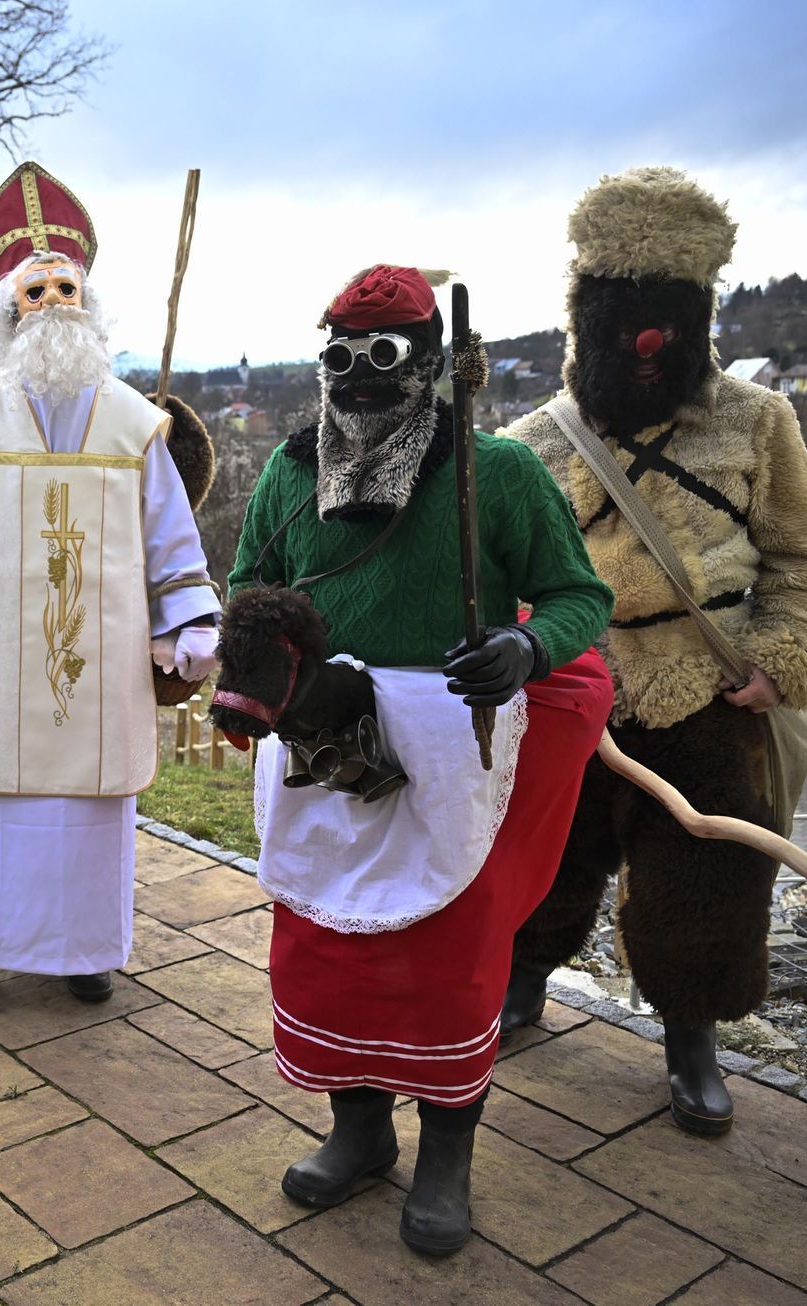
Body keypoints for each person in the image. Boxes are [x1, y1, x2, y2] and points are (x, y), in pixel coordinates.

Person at [217, 264, 614, 1254]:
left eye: (383, 356)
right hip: (320, 749)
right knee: (322, 951)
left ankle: (445, 1157)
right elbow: (247, 587)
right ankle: (358, 1137)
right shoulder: (287, 474)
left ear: (430, 363)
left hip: (449, 763)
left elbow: (577, 597)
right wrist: (257, 669)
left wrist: (526, 646)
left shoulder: (500, 472)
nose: (356, 378)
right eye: (339, 358)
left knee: (442, 962)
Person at [501, 168, 807, 1134]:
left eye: (666, 317)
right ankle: (522, 979)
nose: (645, 342)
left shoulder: (758, 421)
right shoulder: (529, 443)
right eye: (624, 318)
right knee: (546, 855)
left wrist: (781, 655)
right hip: (574, 691)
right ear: (586, 322)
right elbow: (493, 577)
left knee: (708, 875)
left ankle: (691, 1028)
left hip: (708, 689)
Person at [0, 161, 222, 1015]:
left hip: (101, 667)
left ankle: (82, 950)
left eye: (68, 288)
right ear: (4, 312)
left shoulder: (138, 423)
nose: (55, 302)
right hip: (2, 658)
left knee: (87, 817)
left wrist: (189, 621)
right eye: (35, 292)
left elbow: (169, 538)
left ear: (89, 304)